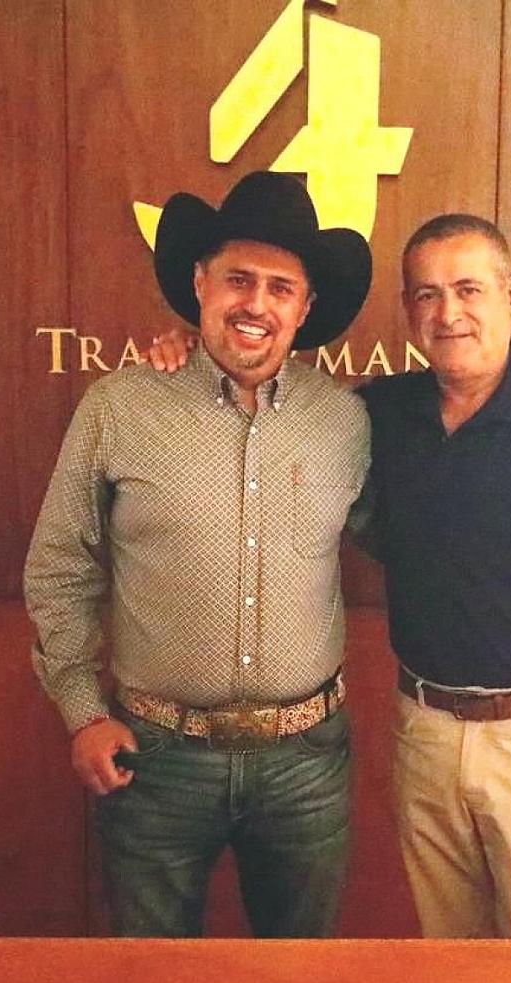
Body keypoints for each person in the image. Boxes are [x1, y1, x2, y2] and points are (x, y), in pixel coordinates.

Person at [148, 212, 511, 940]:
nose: (448, 313)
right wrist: (189, 347)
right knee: (447, 964)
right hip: (424, 734)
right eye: (426, 295)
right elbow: (268, 396)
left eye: (468, 289)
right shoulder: (379, 416)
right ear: (409, 310)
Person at [24, 171, 372, 938]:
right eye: (238, 279)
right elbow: (60, 566)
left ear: (305, 308)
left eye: (280, 288)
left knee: (299, 981)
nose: (256, 304)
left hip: (306, 763)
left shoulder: (347, 422)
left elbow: (409, 535)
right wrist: (82, 712)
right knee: (151, 981)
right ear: (199, 284)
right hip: (155, 759)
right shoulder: (120, 408)